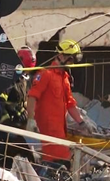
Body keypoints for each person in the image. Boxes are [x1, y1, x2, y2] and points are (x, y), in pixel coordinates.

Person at [26, 39, 95, 167]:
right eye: (70, 59)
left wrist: (81, 122)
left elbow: (70, 103)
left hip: (59, 131)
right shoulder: (45, 74)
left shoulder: (64, 78)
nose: (71, 63)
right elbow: (32, 96)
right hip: (48, 131)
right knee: (59, 162)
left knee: (61, 163)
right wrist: (31, 119)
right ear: (61, 56)